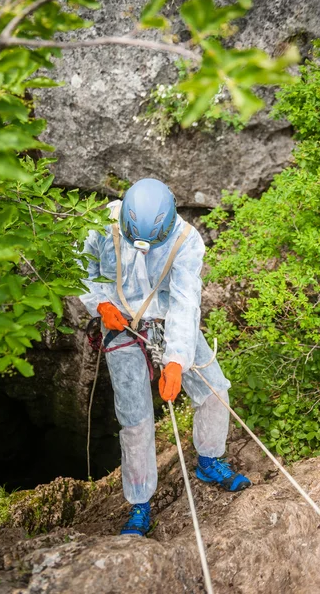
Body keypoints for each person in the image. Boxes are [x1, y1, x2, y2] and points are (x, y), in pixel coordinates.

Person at [79, 178, 251, 537]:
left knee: (214, 387)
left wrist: (175, 360)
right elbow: (82, 273)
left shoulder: (186, 241)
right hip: (119, 323)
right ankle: (140, 504)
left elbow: (186, 303)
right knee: (135, 417)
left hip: (167, 317)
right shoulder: (99, 226)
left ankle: (208, 460)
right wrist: (101, 304)